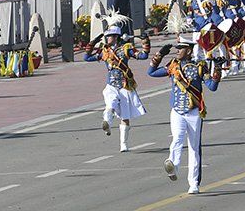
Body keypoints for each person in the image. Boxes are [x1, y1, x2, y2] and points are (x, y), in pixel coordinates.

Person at [148, 35, 221, 195]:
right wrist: (160, 54)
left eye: (180, 49)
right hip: (177, 111)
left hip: (194, 112)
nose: (177, 51)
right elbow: (151, 72)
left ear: (188, 50)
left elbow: (212, 87)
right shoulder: (173, 66)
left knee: (194, 148)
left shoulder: (200, 67)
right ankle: (173, 165)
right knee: (177, 138)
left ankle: (194, 183)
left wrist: (218, 69)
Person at [84, 13, 149, 151]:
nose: (107, 38)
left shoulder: (126, 49)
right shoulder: (104, 51)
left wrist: (146, 42)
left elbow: (143, 56)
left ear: (116, 37)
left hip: (125, 85)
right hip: (111, 85)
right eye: (107, 36)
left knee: (125, 116)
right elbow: (87, 58)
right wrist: (93, 43)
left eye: (110, 36)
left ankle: (123, 144)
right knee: (110, 104)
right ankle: (107, 122)